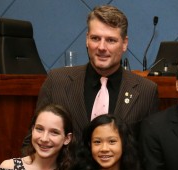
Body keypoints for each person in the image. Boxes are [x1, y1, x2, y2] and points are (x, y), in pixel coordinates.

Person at [36, 5, 158, 139]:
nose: (101, 47)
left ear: (124, 43)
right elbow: (33, 141)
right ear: (87, 39)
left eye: (111, 40)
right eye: (95, 38)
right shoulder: (57, 81)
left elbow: (149, 152)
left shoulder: (146, 91)